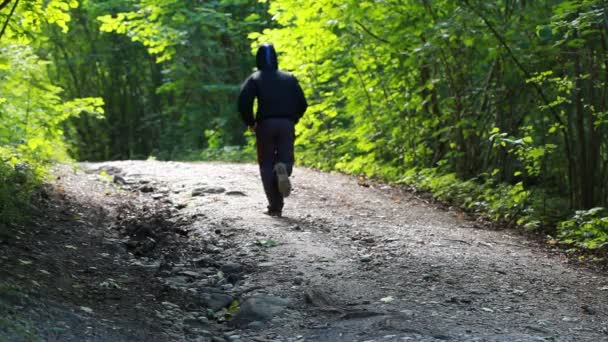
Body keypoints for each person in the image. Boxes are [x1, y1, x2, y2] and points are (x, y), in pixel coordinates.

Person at [238, 43, 308, 217]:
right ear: (275, 58)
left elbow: (243, 102)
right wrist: (293, 119)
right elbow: (302, 103)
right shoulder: (289, 78)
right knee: (285, 158)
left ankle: (275, 207)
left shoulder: (255, 78)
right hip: (286, 124)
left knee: (267, 164)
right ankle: (283, 168)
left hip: (265, 125)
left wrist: (250, 122)